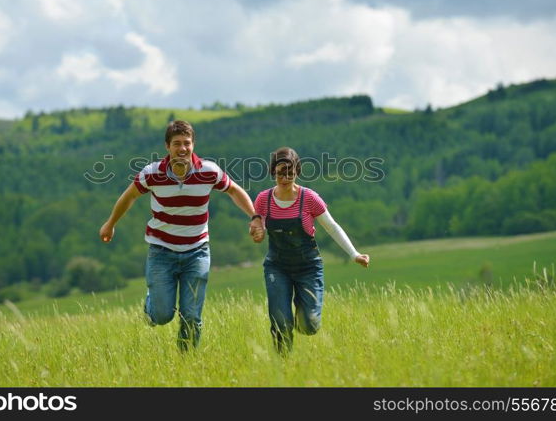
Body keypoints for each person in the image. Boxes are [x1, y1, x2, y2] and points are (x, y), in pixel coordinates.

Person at [99, 120, 263, 351]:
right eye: (177, 143)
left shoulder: (208, 171)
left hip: (197, 252)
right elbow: (129, 197)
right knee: (161, 315)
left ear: (193, 145)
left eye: (187, 143)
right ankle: (151, 305)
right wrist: (110, 223)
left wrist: (255, 216)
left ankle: (187, 362)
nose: (182, 148)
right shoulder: (152, 173)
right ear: (167, 146)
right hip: (161, 251)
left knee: (192, 315)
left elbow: (234, 191)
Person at [249, 147, 370, 355]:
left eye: (290, 171)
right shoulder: (263, 199)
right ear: (273, 173)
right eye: (280, 172)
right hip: (277, 266)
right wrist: (255, 231)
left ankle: (301, 310)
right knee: (280, 321)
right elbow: (256, 226)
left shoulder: (309, 198)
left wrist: (354, 254)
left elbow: (332, 226)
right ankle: (283, 364)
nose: (285, 177)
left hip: (308, 267)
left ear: (297, 171)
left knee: (309, 325)